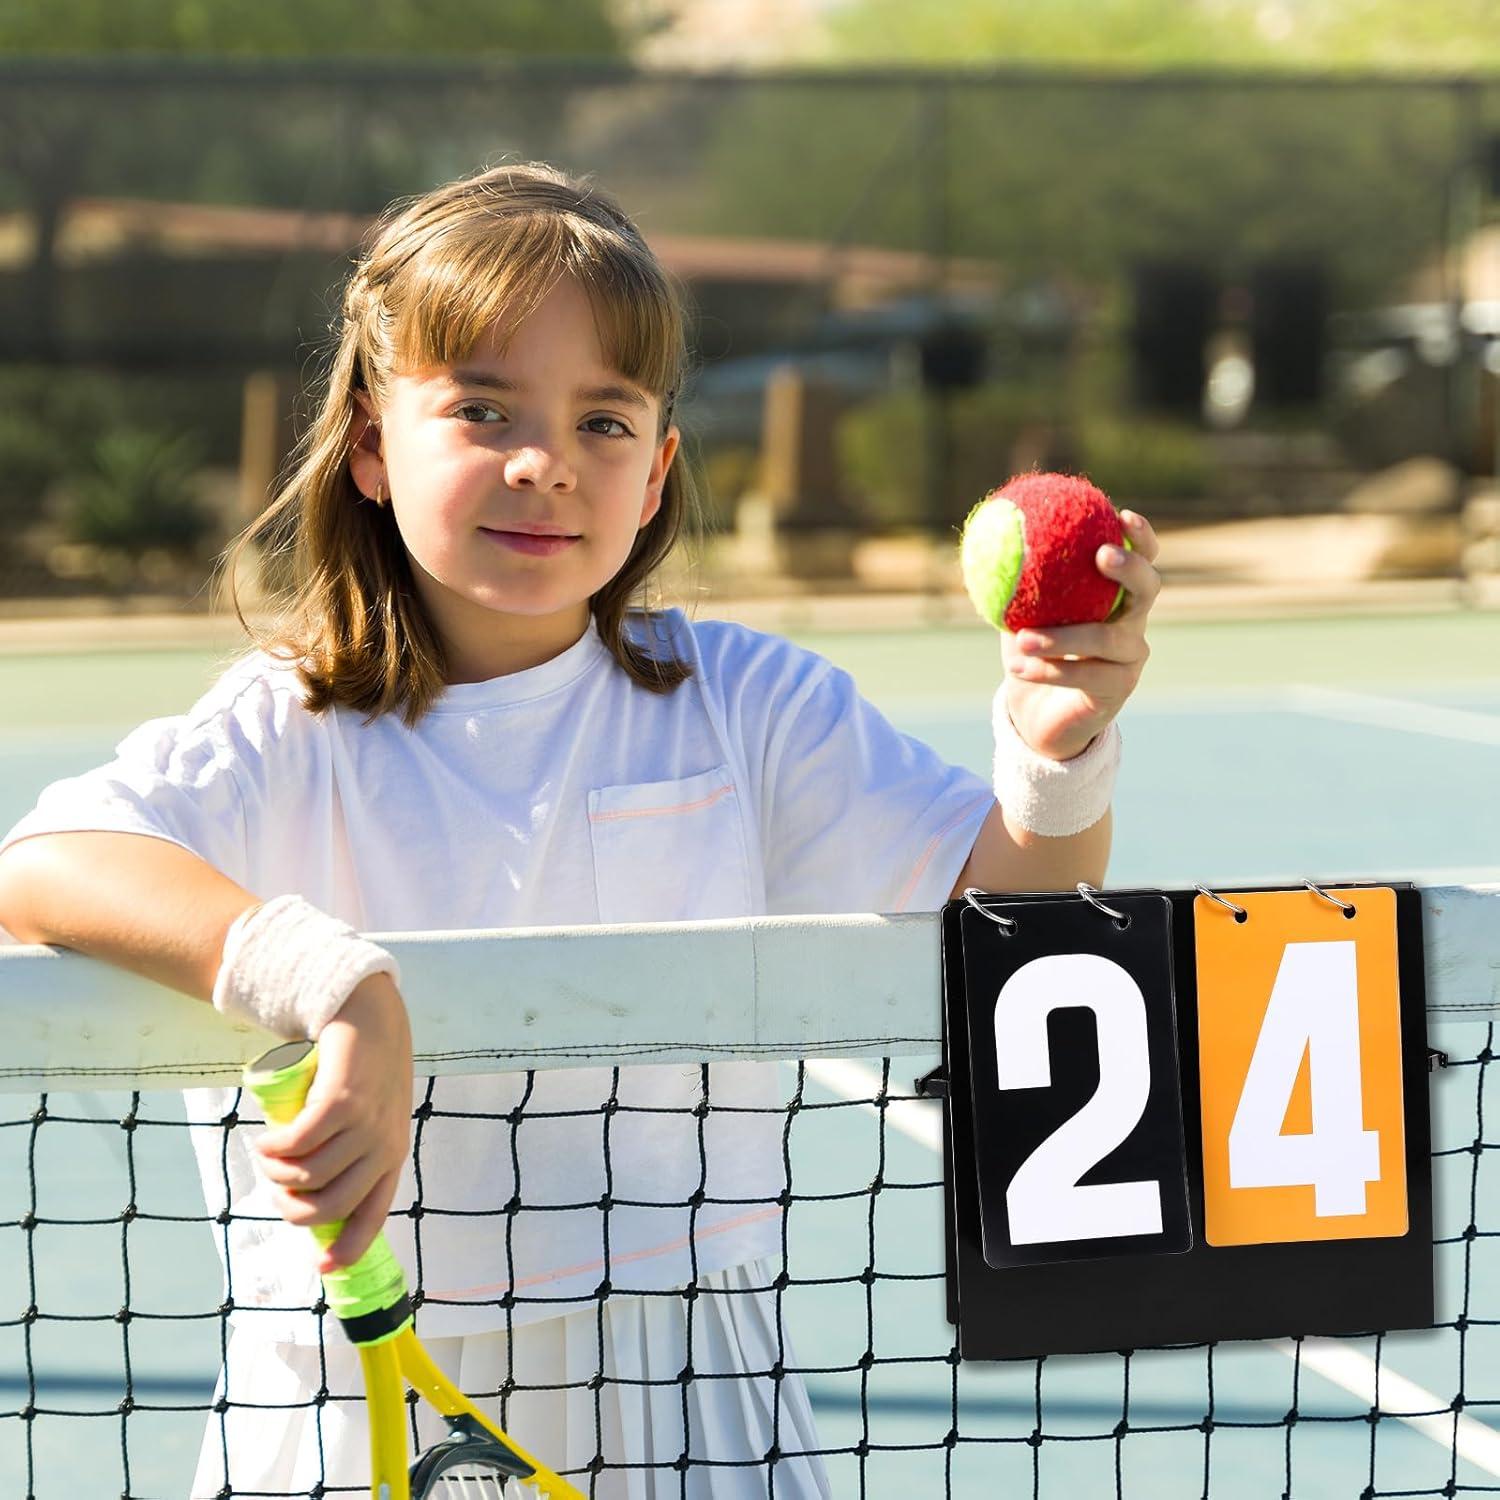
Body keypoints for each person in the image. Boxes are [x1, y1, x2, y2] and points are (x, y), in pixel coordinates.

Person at [0, 161, 1160, 1498]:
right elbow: (48, 864)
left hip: (688, 1395)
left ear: (659, 469)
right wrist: (329, 981)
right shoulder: (281, 726)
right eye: (483, 408)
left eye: (604, 422)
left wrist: (1055, 762)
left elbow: (1004, 907)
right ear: (372, 442)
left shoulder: (751, 705)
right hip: (337, 1399)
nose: (544, 460)